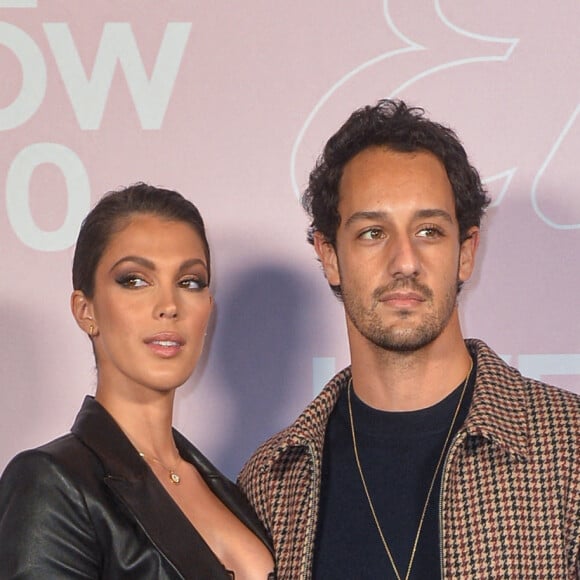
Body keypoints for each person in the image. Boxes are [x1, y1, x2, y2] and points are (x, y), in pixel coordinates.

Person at [238, 100, 580, 578]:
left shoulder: (569, 450)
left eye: (428, 230)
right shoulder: (272, 483)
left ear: (466, 252)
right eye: (373, 232)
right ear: (329, 255)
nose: (404, 260)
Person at [0, 184, 275, 579]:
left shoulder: (234, 493)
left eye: (190, 282)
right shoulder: (52, 482)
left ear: (207, 309)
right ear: (86, 309)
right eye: (135, 280)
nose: (169, 306)